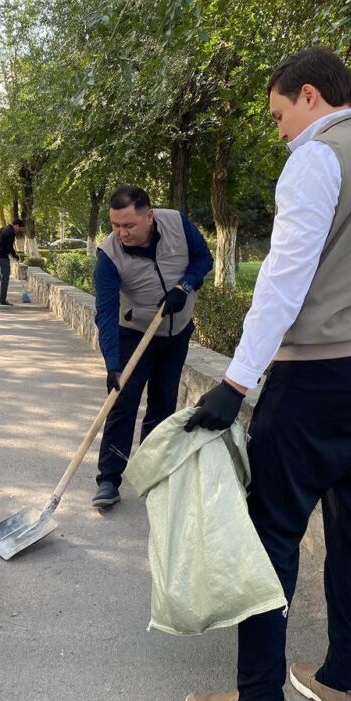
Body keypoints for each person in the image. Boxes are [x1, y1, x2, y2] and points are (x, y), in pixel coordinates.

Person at [183, 48, 351, 701]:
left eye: (279, 114)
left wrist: (236, 382)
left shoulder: (319, 157)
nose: (280, 130)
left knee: (272, 528)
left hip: (319, 373)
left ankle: (259, 700)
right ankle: (340, 683)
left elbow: (283, 280)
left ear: (311, 96)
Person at [92, 185, 213, 508]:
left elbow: (204, 259)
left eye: (129, 225)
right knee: (122, 404)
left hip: (176, 333)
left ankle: (152, 473)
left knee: (163, 405)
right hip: (134, 333)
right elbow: (105, 312)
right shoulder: (109, 256)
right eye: (115, 225)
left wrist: (184, 287)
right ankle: (108, 479)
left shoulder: (177, 224)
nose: (121, 233)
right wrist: (112, 364)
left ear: (149, 216)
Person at [0, 217, 25, 306]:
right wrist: (15, 256)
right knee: (5, 278)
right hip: (2, 257)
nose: (19, 231)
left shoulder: (3, 229)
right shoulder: (11, 232)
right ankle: (2, 300)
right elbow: (9, 247)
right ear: (16, 225)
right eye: (20, 228)